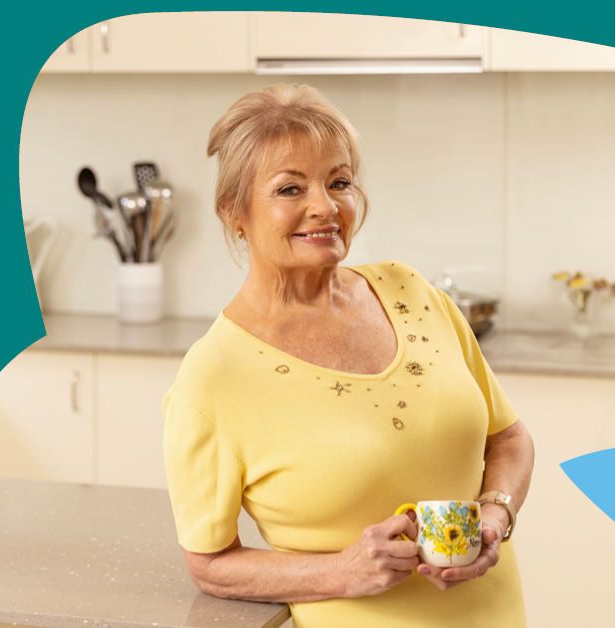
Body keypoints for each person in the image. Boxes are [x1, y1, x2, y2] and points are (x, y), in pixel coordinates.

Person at [162, 83, 533, 627]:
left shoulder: (413, 293)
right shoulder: (215, 373)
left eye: (340, 182)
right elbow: (209, 564)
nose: (325, 206)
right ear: (234, 213)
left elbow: (508, 437)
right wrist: (343, 570)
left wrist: (496, 513)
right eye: (290, 189)